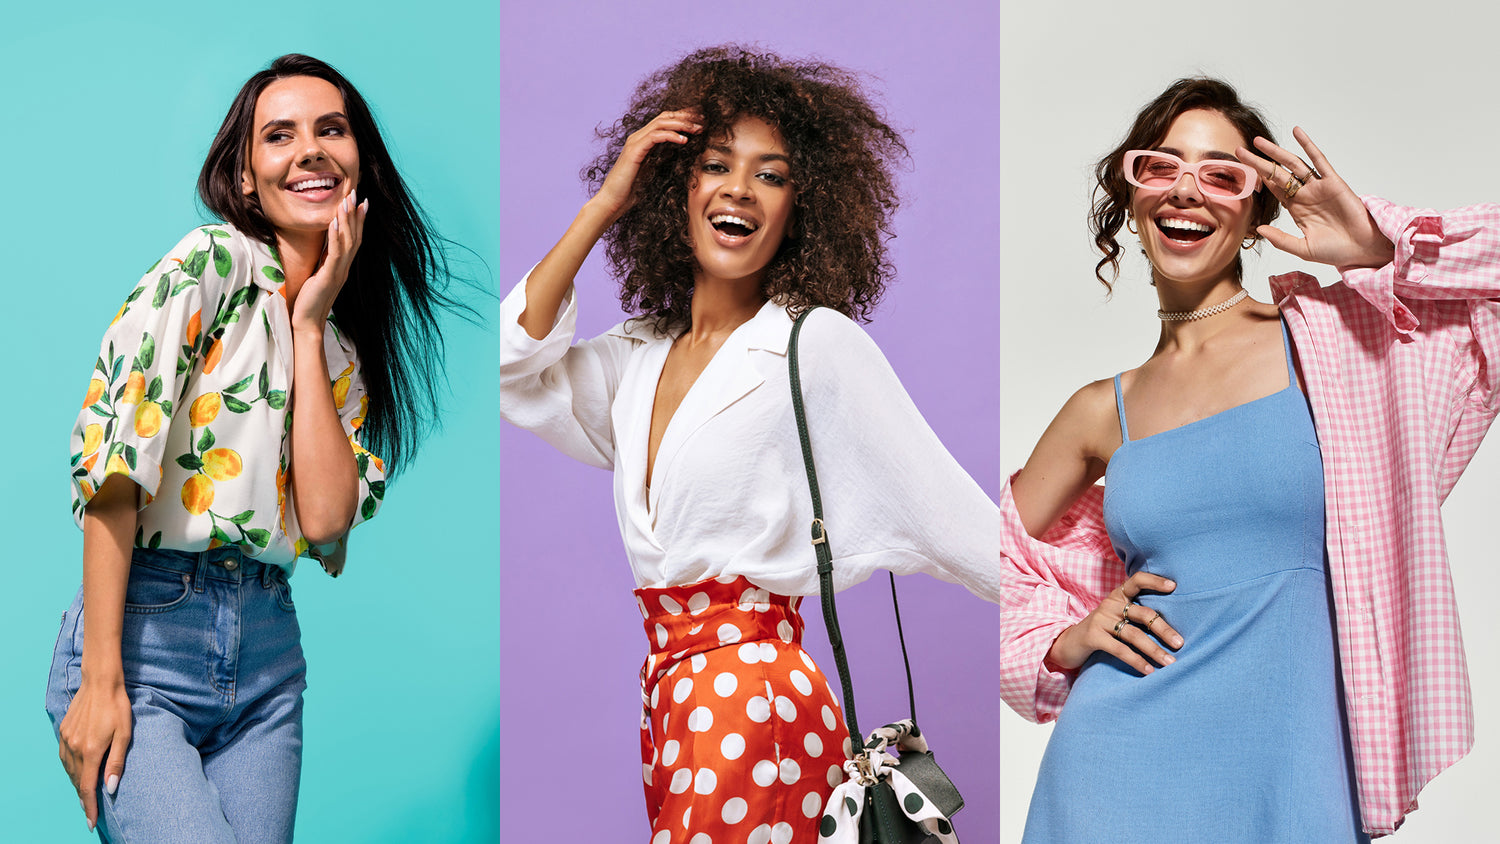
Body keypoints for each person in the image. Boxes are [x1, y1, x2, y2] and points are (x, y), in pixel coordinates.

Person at [500, 45, 999, 841]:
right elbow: (513, 368)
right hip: (673, 695)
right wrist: (603, 206)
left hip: (757, 700)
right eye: (715, 165)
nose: (739, 188)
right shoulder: (638, 354)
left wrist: (1066, 618)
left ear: (804, 206)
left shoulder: (812, 343)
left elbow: (956, 519)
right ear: (677, 189)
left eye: (771, 174)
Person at [998, 75, 1500, 841]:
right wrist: (1060, 642)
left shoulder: (1341, 339)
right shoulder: (1102, 409)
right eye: (1160, 168)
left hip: (1296, 767)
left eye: (1221, 174)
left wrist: (1373, 244)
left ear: (1259, 206)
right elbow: (977, 554)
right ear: (1131, 199)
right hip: (1114, 768)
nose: (1186, 192)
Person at [47, 53, 458, 842]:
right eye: (280, 135)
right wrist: (101, 681)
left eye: (331, 130)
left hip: (269, 661)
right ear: (245, 178)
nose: (310, 150)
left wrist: (306, 324)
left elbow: (327, 520)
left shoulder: (338, 345)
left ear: (358, 163)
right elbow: (114, 469)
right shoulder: (208, 266)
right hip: (145, 637)